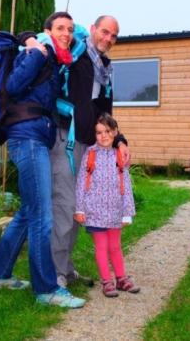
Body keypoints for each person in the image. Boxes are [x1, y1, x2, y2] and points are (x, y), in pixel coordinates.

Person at [0, 12, 85, 309]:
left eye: (69, 29)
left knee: (28, 212)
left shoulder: (54, 57)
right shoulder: (41, 53)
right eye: (60, 28)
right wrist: (35, 48)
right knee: (42, 215)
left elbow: (79, 33)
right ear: (47, 31)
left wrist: (33, 39)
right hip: (27, 138)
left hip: (35, 136)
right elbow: (13, 86)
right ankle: (46, 289)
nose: (66, 33)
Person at [49, 15, 131, 288]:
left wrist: (120, 140)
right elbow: (40, 35)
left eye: (113, 36)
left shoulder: (105, 68)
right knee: (65, 206)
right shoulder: (77, 50)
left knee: (77, 209)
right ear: (93, 29)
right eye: (104, 32)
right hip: (65, 140)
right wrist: (27, 37)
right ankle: (54, 274)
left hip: (87, 145)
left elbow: (103, 113)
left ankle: (65, 268)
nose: (108, 39)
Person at [74, 113, 139, 297]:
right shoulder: (90, 154)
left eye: (107, 131)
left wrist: (127, 212)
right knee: (101, 247)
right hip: (94, 211)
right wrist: (79, 208)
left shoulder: (120, 155)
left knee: (115, 246)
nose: (103, 136)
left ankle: (121, 279)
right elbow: (81, 183)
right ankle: (107, 282)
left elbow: (125, 185)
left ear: (115, 132)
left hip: (115, 211)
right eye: (99, 132)